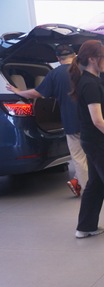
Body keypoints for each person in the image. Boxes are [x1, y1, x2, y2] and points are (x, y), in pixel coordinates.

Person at [6, 44, 87, 197]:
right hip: (91, 121)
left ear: (57, 58)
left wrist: (18, 91)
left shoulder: (55, 74)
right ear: (75, 55)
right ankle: (83, 183)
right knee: (90, 156)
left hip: (71, 123)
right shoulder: (83, 71)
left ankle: (86, 191)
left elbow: (36, 93)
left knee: (79, 158)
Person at [69, 40, 104, 241]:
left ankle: (85, 227)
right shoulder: (90, 84)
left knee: (95, 184)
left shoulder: (89, 81)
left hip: (91, 141)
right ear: (93, 59)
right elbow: (98, 120)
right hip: (99, 142)